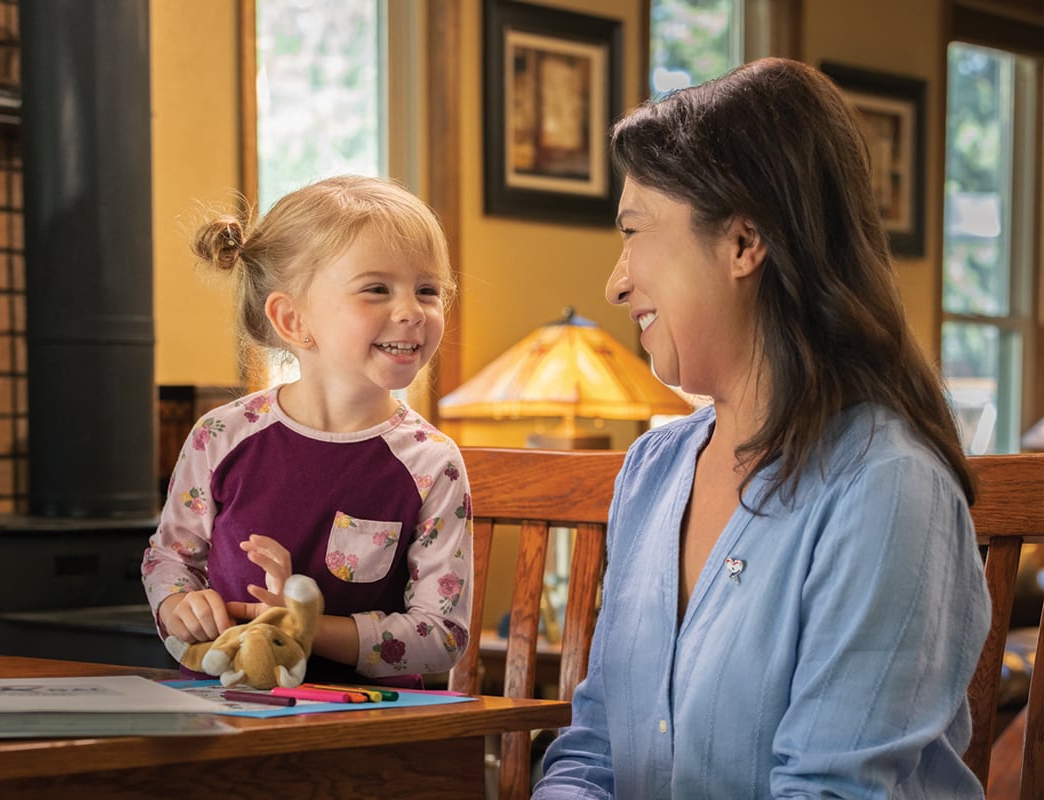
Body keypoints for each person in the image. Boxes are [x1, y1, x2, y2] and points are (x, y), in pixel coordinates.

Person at [534, 58, 991, 798]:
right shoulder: (651, 471)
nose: (615, 283)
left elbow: (832, 790)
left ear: (745, 242)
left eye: (634, 232)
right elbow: (594, 752)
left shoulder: (888, 489)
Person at [142, 175, 472, 688]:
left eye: (428, 290)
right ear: (293, 320)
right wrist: (178, 606)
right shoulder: (221, 436)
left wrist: (306, 628)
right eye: (377, 289)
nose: (413, 311)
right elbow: (168, 559)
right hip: (222, 708)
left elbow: (443, 636)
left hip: (367, 719)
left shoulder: (432, 462)